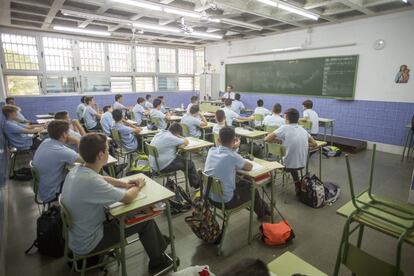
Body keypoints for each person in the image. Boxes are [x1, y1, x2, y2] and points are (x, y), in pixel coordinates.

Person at [61, 133, 172, 274]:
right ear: (101, 155)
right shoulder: (92, 182)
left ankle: (159, 242)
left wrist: (125, 183)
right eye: (107, 149)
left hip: (78, 235)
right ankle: (158, 261)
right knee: (146, 221)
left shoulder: (77, 170)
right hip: (91, 241)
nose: (109, 152)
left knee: (130, 214)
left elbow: (104, 178)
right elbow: (128, 198)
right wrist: (137, 186)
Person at [204, 127, 270, 219]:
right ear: (234, 140)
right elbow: (249, 167)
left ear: (218, 140)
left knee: (243, 182)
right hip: (226, 202)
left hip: (209, 197)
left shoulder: (212, 151)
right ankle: (263, 213)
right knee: (253, 190)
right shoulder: (233, 156)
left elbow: (226, 152)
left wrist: (233, 147)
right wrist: (235, 147)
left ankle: (265, 209)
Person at [32, 120, 81, 203]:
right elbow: (86, 159)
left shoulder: (46, 141)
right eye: (68, 132)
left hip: (43, 189)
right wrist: (77, 141)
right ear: (64, 134)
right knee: (83, 182)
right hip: (52, 192)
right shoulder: (60, 151)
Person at [264, 108, 317, 185]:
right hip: (302, 164)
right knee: (291, 157)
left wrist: (279, 141)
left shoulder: (284, 127)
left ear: (287, 120)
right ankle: (297, 183)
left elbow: (266, 139)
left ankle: (269, 183)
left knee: (268, 161)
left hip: (287, 166)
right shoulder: (303, 130)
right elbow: (314, 144)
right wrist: (302, 143)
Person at [149, 123, 200, 188]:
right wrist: (180, 139)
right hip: (163, 166)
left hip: (154, 164)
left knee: (181, 157)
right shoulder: (171, 137)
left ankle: (189, 175)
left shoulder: (160, 133)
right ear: (177, 133)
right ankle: (196, 185)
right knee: (190, 164)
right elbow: (186, 141)